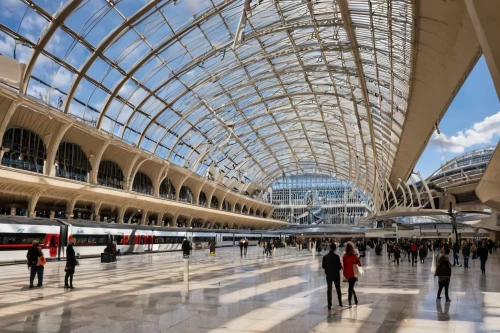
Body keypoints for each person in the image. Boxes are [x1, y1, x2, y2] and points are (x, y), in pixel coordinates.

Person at [322, 243, 343, 309]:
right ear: (335, 248)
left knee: (329, 289)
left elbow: (323, 266)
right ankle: (340, 302)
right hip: (336, 275)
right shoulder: (336, 257)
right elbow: (340, 267)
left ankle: (329, 304)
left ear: (329, 248)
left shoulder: (325, 257)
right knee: (338, 288)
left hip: (329, 275)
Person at [342, 242, 362, 307]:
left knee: (350, 287)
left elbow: (344, 266)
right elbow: (359, 265)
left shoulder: (345, 257)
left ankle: (351, 300)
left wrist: (344, 273)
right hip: (354, 274)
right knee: (351, 287)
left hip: (348, 274)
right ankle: (352, 300)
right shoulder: (355, 257)